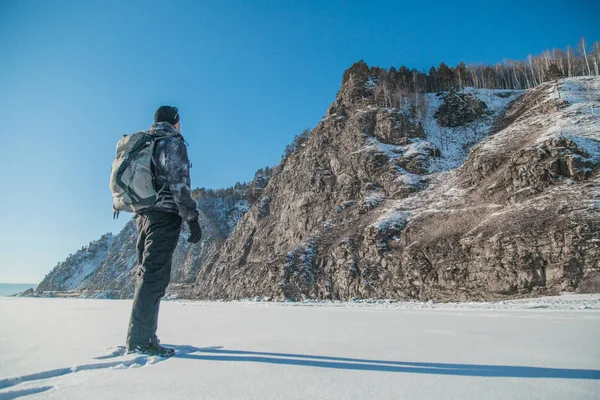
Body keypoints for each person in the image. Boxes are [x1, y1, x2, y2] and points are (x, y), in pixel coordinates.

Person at [126, 105, 202, 357]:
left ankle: (143, 335)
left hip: (143, 215)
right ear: (176, 122)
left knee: (147, 275)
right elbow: (179, 184)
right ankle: (140, 340)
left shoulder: (148, 141)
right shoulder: (172, 142)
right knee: (154, 277)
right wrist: (192, 218)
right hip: (164, 215)